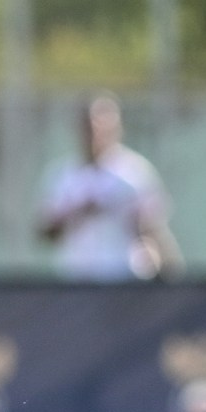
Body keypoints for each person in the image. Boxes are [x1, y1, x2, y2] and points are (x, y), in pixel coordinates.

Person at [36, 94, 181, 281]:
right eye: (89, 127)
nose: (94, 134)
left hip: (122, 279)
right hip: (75, 279)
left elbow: (153, 227)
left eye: (101, 127)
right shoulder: (62, 175)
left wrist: (169, 268)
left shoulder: (134, 172)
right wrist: (79, 212)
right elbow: (46, 232)